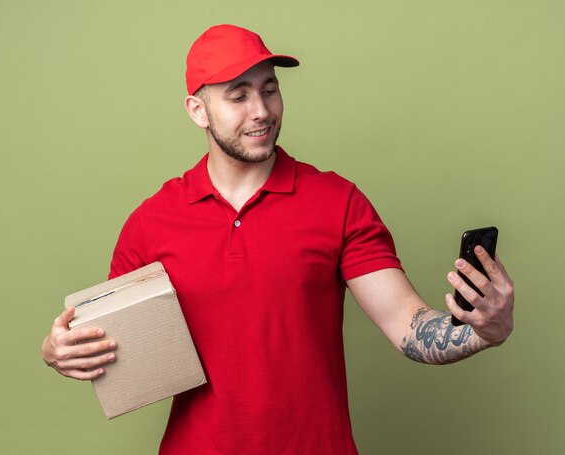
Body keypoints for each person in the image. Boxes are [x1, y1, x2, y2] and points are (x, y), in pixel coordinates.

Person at [42, 24, 514, 454]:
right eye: (238, 96)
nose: (262, 111)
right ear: (197, 110)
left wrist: (480, 332)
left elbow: (408, 326)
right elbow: (117, 353)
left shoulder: (338, 202)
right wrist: (61, 352)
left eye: (270, 90)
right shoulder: (152, 223)